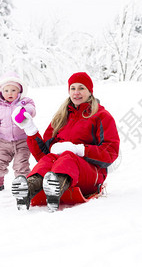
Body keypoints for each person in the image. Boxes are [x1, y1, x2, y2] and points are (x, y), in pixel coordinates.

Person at [11, 72, 120, 212]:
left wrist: (79, 150)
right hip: (63, 168)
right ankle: (29, 189)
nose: (76, 92)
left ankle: (55, 188)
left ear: (90, 91)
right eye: (72, 88)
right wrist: (30, 129)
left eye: (81, 88)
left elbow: (110, 152)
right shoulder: (61, 117)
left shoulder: (101, 116)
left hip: (92, 174)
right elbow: (43, 155)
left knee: (68, 156)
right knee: (49, 159)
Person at [0, 72, 36, 192]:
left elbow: (32, 109)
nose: (10, 93)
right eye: (6, 90)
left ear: (19, 91)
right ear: (1, 92)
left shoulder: (25, 102)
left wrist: (23, 112)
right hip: (4, 143)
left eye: (13, 90)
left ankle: (22, 184)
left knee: (21, 164)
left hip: (22, 142)